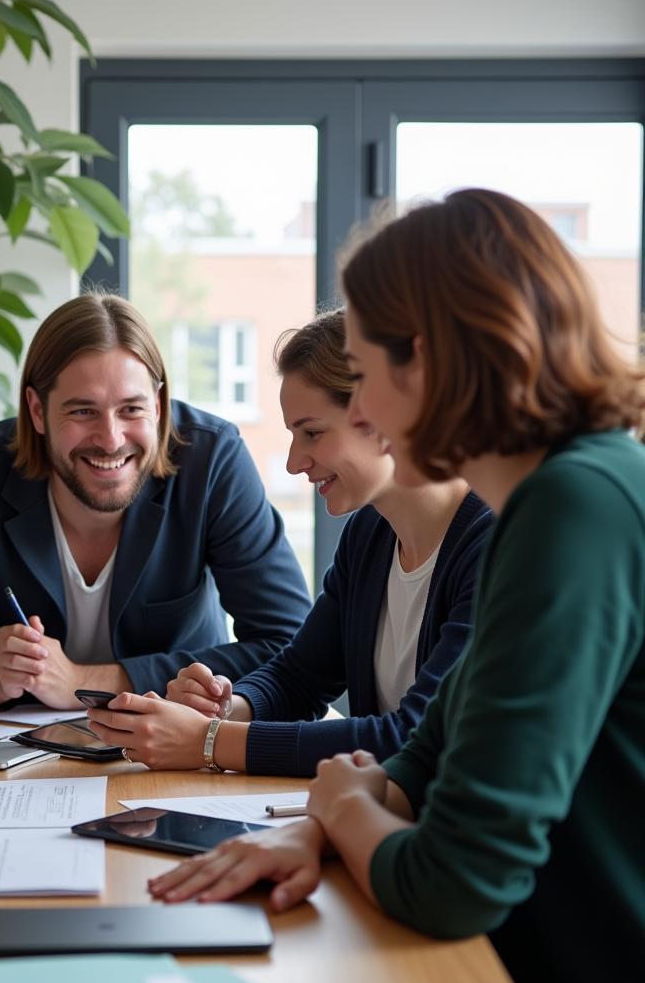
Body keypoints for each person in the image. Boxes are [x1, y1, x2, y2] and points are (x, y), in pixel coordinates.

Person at [147, 189, 645, 983]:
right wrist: (312, 826)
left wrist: (342, 813)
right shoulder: (554, 499)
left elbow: (456, 882)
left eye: (370, 377)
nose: (368, 412)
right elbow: (433, 748)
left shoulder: (572, 510)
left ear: (434, 360)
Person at [85, 310, 491, 774]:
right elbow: (298, 678)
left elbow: (412, 736)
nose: (295, 462)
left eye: (312, 432)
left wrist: (208, 742)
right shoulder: (370, 535)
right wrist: (226, 707)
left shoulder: (496, 547)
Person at [0, 292, 310, 711]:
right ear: (37, 411)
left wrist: (85, 682)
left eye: (131, 409)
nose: (111, 439)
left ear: (159, 406)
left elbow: (291, 646)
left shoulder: (212, 461)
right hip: (19, 750)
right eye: (82, 412)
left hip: (174, 739)